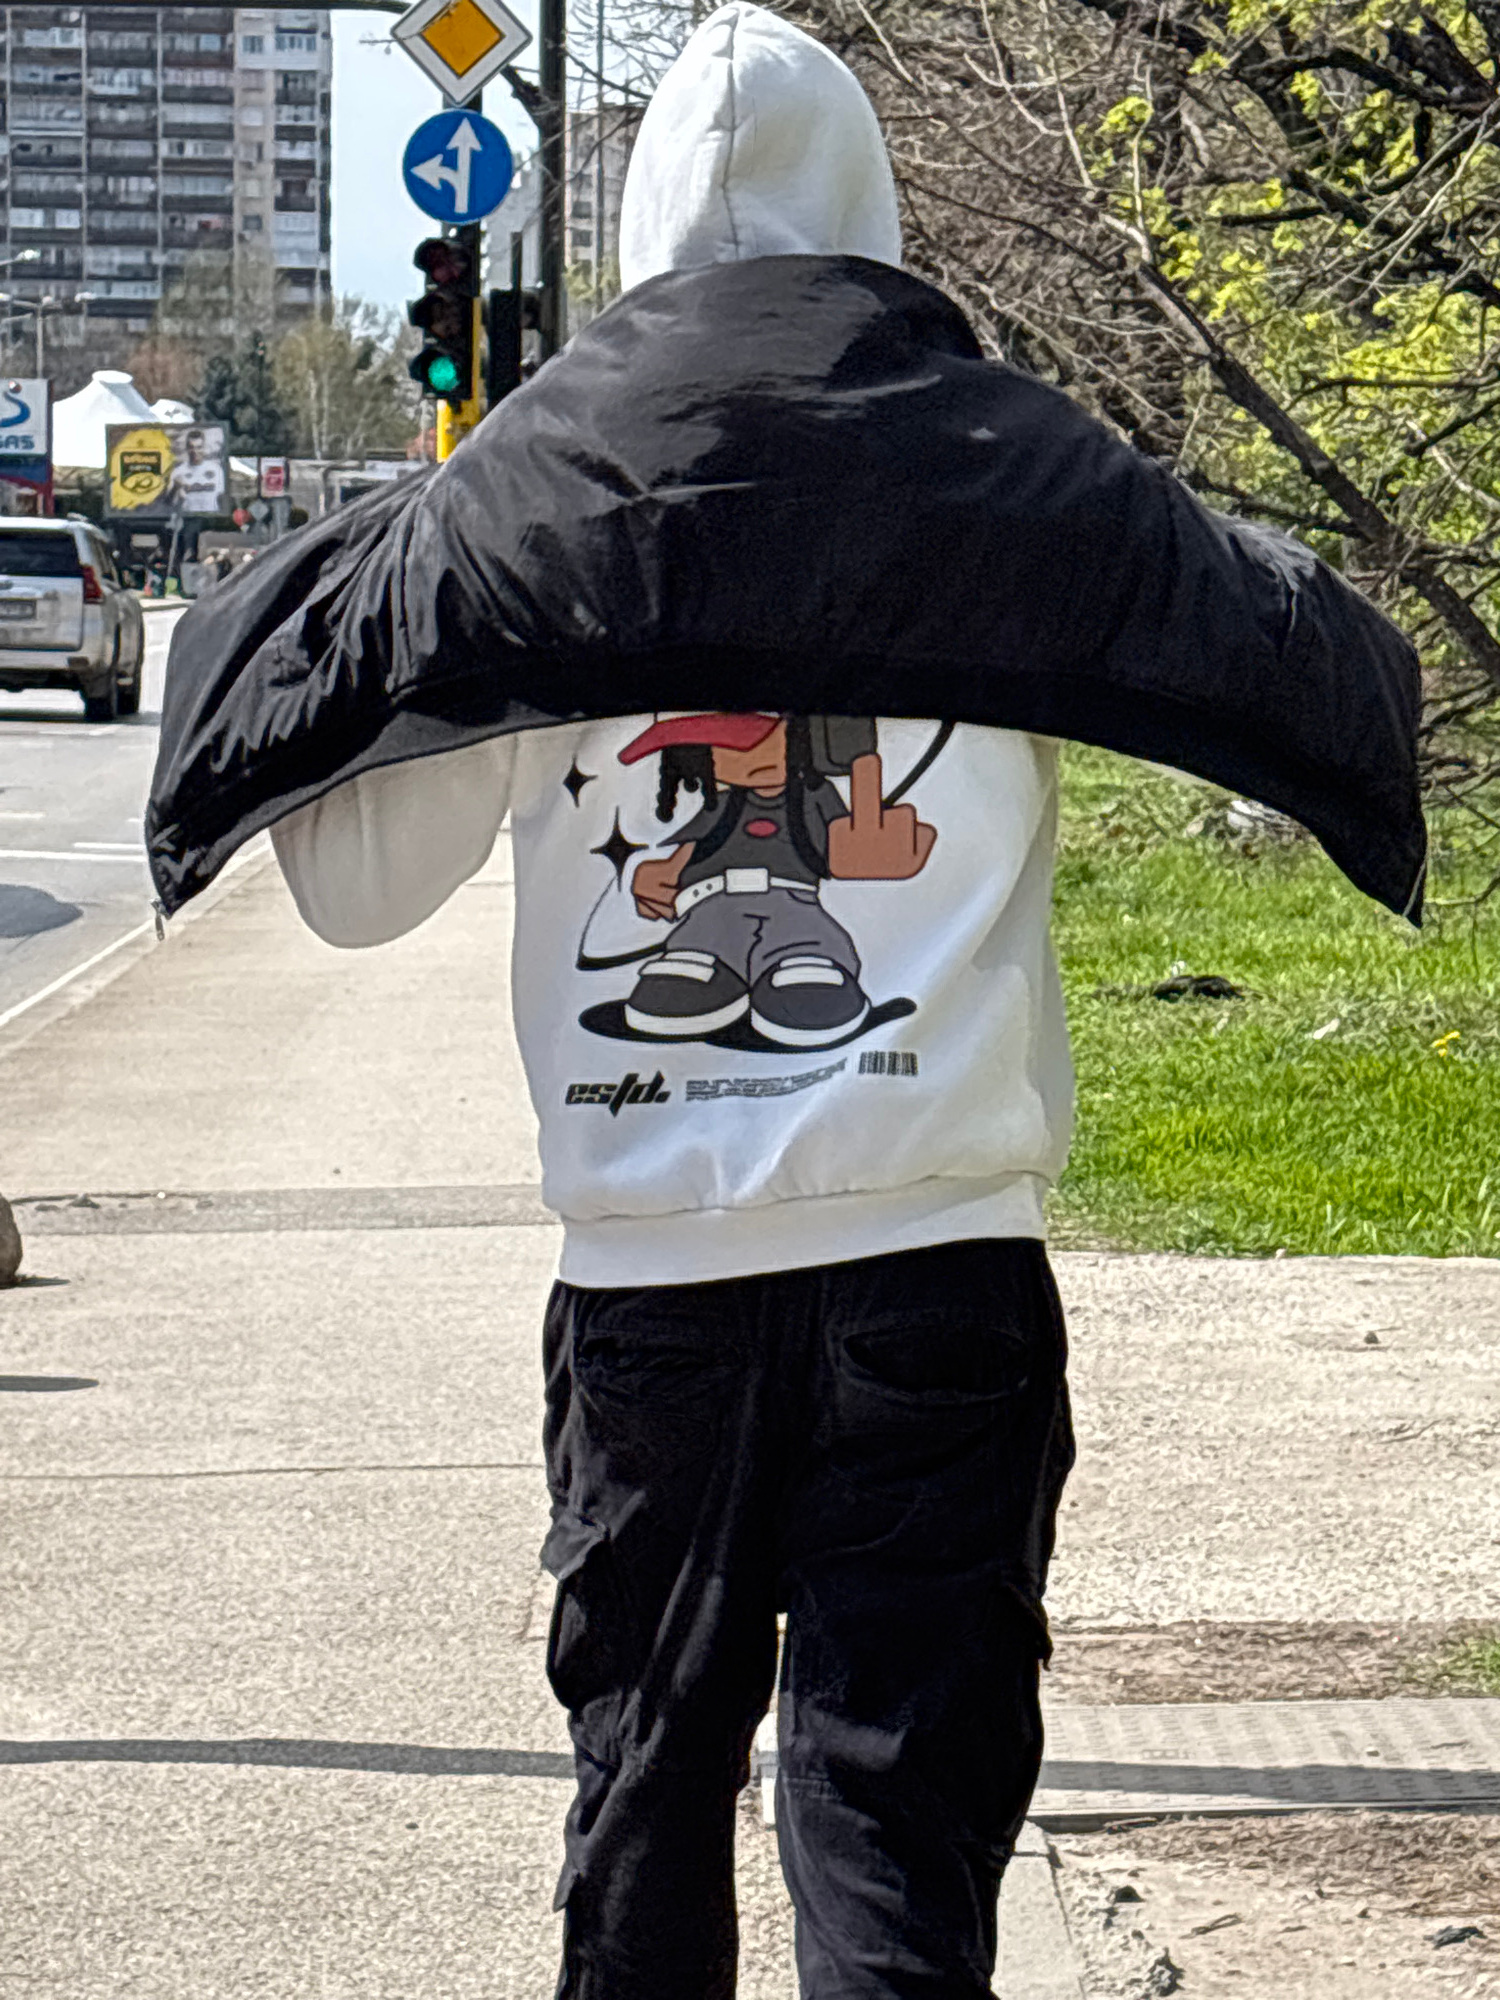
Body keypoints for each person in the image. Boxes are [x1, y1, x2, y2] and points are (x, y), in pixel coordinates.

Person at [270, 10, 1075, 1995]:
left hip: (653, 1283)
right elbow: (1235, 668)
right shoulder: (1015, 484)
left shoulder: (541, 521)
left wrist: (393, 577)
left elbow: (355, 892)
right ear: (880, 221)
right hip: (942, 1253)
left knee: (644, 1814)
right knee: (895, 1836)